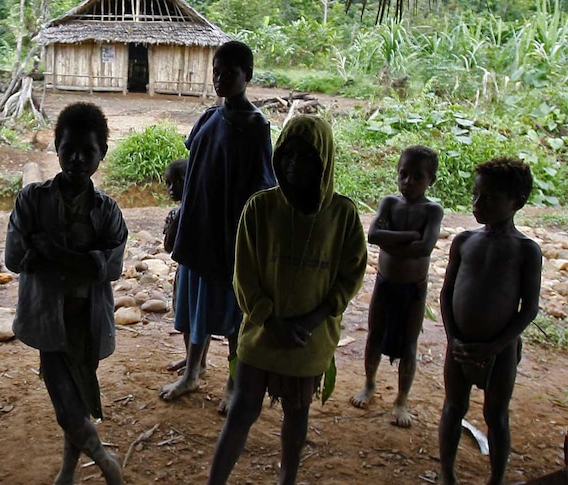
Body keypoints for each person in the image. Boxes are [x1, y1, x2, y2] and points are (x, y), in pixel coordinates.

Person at [207, 115, 367, 485]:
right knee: (242, 411)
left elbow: (349, 275)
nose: (296, 163)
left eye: (307, 156)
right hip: (262, 335)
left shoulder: (342, 215)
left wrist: (313, 321)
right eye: (288, 154)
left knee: (296, 415)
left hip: (308, 340)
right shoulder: (260, 210)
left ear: (324, 161)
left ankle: (287, 480)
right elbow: (243, 276)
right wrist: (271, 320)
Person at [4, 102, 127, 485]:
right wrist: (83, 260)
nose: (76, 159)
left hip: (86, 322)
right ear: (55, 147)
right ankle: (106, 463)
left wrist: (52, 251)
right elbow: (15, 257)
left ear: (101, 154)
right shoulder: (32, 200)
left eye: (87, 151)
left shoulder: (107, 210)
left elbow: (111, 266)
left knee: (74, 401)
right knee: (67, 407)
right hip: (50, 320)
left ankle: (71, 472)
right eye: (68, 148)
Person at [160, 40, 276, 415]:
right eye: (216, 72)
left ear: (249, 76)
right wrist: (182, 217)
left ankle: (233, 383)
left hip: (229, 239)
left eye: (229, 73)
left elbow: (263, 187)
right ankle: (193, 372)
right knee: (196, 310)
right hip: (199, 232)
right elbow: (195, 170)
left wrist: (251, 241)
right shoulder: (209, 117)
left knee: (231, 318)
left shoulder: (256, 126)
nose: (220, 79)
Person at [438, 157, 542, 485]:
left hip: (500, 352)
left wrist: (495, 346)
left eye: (490, 198)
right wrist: (453, 338)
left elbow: (529, 309)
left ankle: (495, 479)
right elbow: (446, 294)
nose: (477, 204)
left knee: (496, 416)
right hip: (459, 346)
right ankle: (448, 474)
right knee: (454, 407)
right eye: (476, 195)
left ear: (518, 203)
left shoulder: (526, 251)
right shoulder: (464, 241)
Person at [350, 145, 444, 427]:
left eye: (417, 176)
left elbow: (424, 248)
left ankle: (401, 399)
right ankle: (369, 383)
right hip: (385, 282)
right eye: (403, 174)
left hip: (413, 288)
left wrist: (395, 240)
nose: (408, 182)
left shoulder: (433, 210)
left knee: (410, 343)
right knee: (374, 334)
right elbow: (373, 235)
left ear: (431, 180)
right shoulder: (389, 202)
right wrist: (410, 236)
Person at [162, 158, 210, 375]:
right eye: (168, 183)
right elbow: (168, 247)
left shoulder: (204, 208)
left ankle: (198, 363)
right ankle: (193, 359)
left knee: (200, 320)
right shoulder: (178, 212)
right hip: (185, 270)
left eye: (179, 181)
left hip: (203, 273)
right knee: (185, 318)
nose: (173, 188)